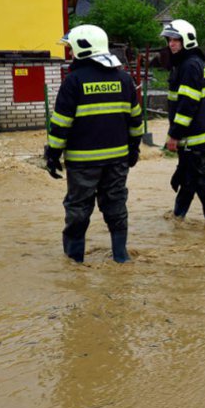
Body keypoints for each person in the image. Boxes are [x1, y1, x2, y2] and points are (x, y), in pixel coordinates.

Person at [44, 24, 143, 263]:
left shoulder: (73, 81)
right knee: (116, 206)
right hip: (117, 161)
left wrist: (52, 154)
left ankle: (74, 263)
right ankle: (121, 257)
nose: (70, 54)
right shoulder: (124, 79)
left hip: (82, 162)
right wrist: (134, 149)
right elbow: (137, 121)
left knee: (78, 210)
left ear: (82, 47)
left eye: (71, 48)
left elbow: (60, 125)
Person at [161, 19, 205, 231]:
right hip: (192, 134)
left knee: (199, 179)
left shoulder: (189, 65)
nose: (171, 44)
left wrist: (174, 135)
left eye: (176, 40)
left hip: (192, 137)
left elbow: (187, 106)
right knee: (188, 177)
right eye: (169, 40)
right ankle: (178, 215)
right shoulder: (188, 62)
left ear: (186, 41)